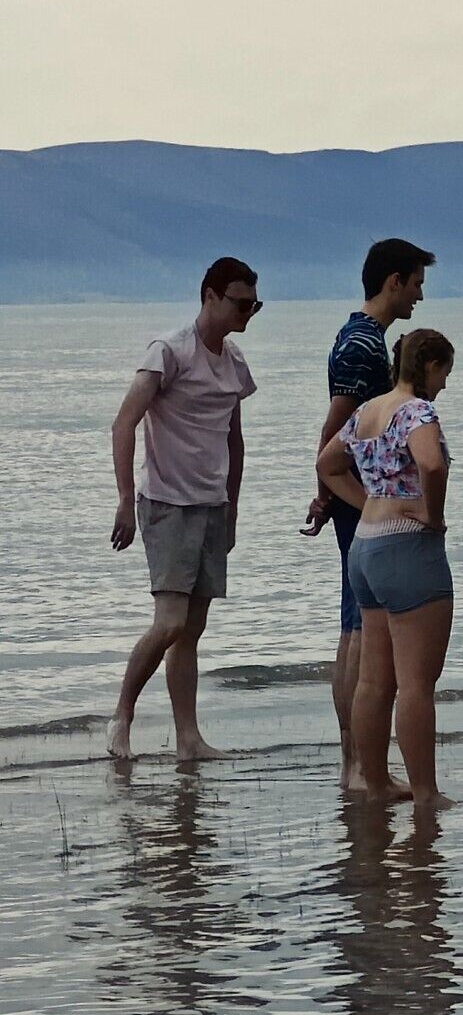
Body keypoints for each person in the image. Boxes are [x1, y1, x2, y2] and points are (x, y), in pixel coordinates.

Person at [106, 258, 262, 761]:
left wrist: (233, 508)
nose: (248, 313)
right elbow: (124, 423)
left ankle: (188, 740)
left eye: (254, 305)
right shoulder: (169, 352)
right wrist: (125, 500)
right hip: (167, 503)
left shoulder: (234, 362)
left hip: (212, 505)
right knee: (171, 621)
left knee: (191, 631)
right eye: (241, 303)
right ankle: (122, 715)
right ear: (210, 296)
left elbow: (235, 440)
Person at [301, 238, 434, 790]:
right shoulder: (362, 345)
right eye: (416, 283)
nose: (419, 296)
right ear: (393, 281)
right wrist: (332, 494)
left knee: (354, 623)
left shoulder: (361, 336)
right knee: (359, 629)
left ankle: (356, 761)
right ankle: (358, 762)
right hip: (363, 499)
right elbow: (335, 430)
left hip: (356, 496)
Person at [317, 329, 457, 807]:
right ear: (430, 366)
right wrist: (432, 516)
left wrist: (371, 501)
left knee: (374, 681)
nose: (444, 385)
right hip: (408, 550)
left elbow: (328, 464)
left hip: (365, 547)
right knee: (417, 683)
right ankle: (426, 794)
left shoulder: (367, 411)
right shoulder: (418, 412)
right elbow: (431, 465)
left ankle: (375, 784)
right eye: (445, 374)